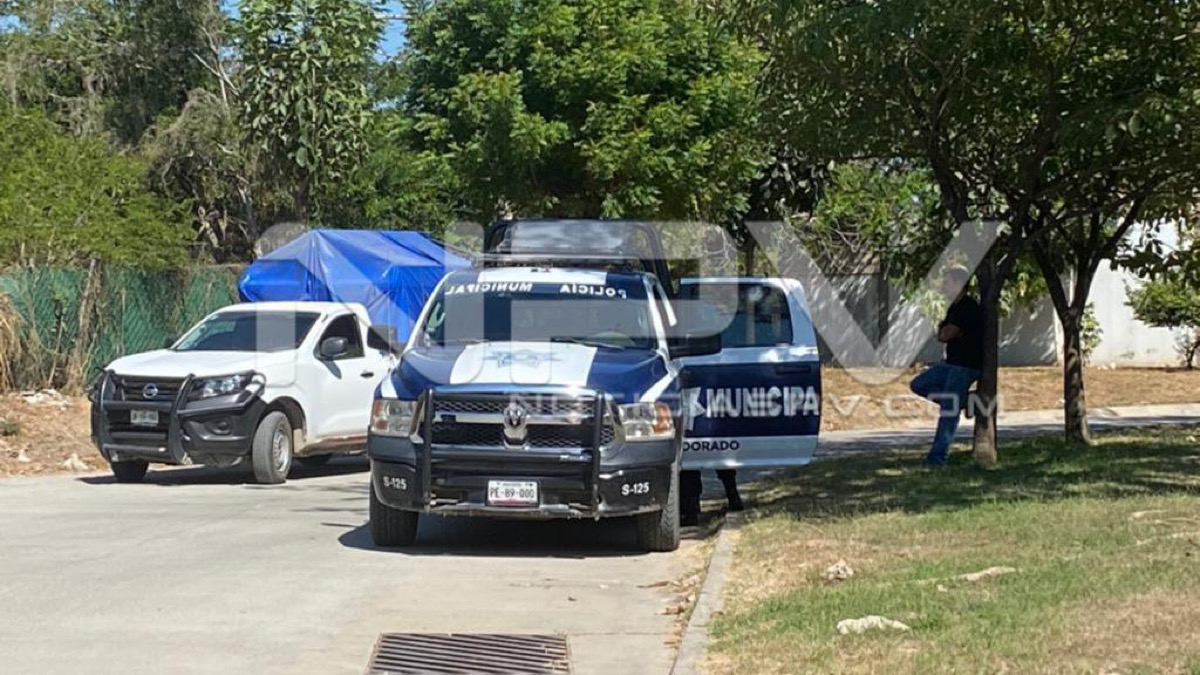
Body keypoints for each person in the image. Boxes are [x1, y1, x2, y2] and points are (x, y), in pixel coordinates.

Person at [910, 266, 984, 467]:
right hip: (950, 363)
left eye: (947, 282)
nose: (943, 285)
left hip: (965, 366)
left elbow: (945, 334)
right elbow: (942, 333)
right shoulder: (953, 307)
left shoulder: (967, 307)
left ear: (959, 284)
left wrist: (944, 331)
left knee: (949, 412)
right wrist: (943, 331)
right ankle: (968, 401)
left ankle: (937, 459)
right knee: (919, 384)